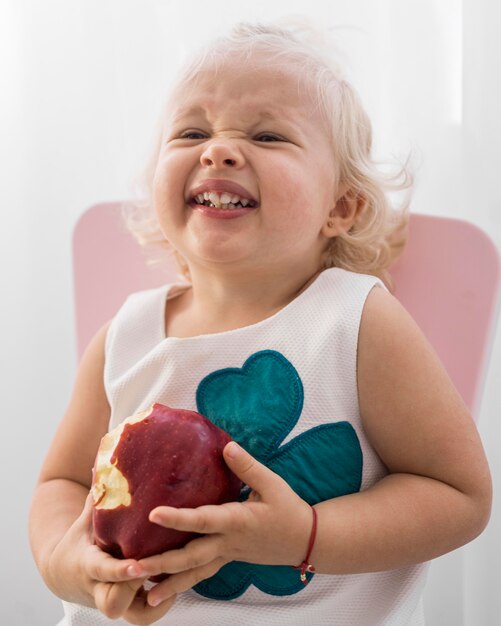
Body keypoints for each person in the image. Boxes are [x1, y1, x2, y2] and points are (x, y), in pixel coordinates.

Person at [29, 20, 492, 626]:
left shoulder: (355, 320)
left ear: (341, 206)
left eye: (268, 135)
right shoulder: (128, 334)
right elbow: (60, 483)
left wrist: (307, 535)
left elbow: (458, 495)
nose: (217, 149)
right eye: (192, 131)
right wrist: (66, 565)